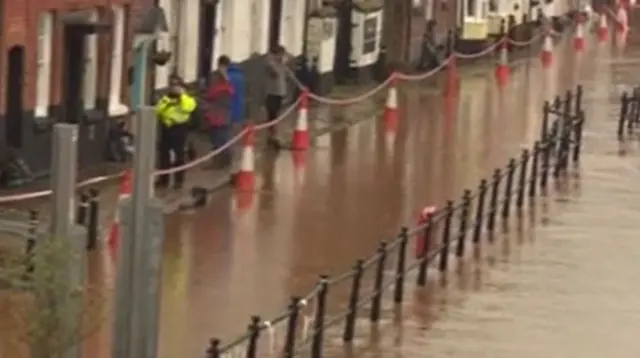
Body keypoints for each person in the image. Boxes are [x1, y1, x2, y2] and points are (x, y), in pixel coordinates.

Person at [155, 84, 197, 189]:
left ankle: (178, 181)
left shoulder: (188, 100)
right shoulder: (166, 99)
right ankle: (163, 179)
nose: (175, 90)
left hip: (179, 129)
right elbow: (158, 110)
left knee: (179, 155)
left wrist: (181, 96)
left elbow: (187, 107)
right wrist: (168, 101)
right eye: (174, 88)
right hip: (166, 128)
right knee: (163, 155)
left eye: (178, 88)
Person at [204, 69, 234, 168]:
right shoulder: (228, 88)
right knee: (224, 140)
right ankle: (226, 161)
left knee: (217, 141)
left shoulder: (217, 89)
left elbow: (209, 96)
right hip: (225, 117)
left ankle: (217, 163)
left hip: (217, 118)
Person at [264, 45, 290, 149]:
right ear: (277, 54)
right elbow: (276, 73)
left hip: (279, 94)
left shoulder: (281, 64)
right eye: (281, 54)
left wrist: (301, 86)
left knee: (276, 116)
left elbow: (289, 75)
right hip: (272, 94)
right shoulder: (270, 64)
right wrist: (282, 63)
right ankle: (272, 137)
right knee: (272, 116)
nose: (283, 56)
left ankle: (273, 137)